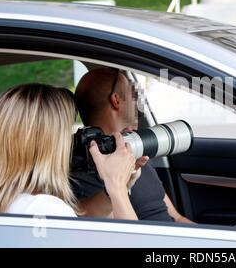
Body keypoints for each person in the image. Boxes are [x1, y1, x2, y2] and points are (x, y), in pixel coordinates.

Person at [0, 83, 139, 220]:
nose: (72, 140)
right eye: (67, 132)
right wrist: (116, 185)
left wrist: (112, 192)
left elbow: (76, 217)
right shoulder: (45, 209)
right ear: (49, 145)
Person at [74, 68, 194, 224]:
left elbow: (176, 218)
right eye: (134, 94)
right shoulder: (86, 173)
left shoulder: (137, 151)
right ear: (116, 100)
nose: (138, 101)